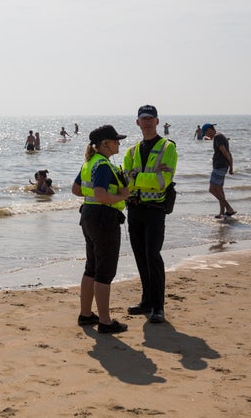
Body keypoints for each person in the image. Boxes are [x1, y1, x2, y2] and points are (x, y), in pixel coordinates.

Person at [122, 105, 178, 324]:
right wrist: (141, 178)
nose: (146, 122)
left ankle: (158, 306)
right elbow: (126, 180)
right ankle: (146, 301)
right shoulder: (131, 151)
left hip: (155, 210)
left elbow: (163, 181)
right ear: (137, 122)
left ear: (157, 121)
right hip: (135, 208)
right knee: (140, 256)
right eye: (143, 118)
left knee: (153, 256)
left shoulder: (168, 147)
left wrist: (137, 178)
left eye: (150, 118)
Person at [72, 125, 130, 334]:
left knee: (92, 267)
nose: (119, 144)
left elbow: (76, 189)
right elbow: (101, 195)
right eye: (115, 140)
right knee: (105, 272)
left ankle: (86, 314)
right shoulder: (104, 165)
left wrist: (96, 198)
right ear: (105, 144)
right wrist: (123, 196)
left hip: (88, 215)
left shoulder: (90, 163)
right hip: (104, 219)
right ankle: (105, 321)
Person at [202, 123, 236, 219]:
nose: (206, 135)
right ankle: (222, 212)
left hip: (219, 166)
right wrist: (230, 167)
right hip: (222, 166)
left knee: (212, 189)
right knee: (220, 190)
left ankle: (229, 208)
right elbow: (228, 153)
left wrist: (230, 166)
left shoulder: (218, 137)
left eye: (205, 132)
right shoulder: (219, 136)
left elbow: (225, 152)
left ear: (210, 130)